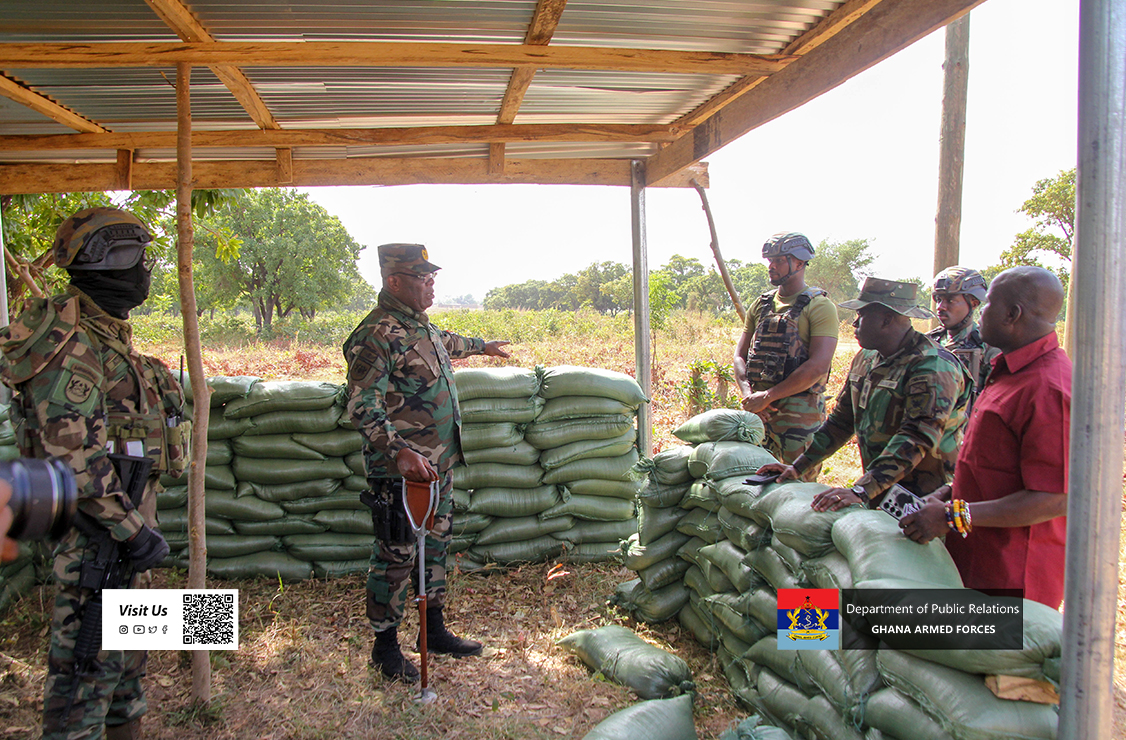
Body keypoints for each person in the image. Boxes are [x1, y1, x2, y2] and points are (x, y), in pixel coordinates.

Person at [0, 207, 188, 740]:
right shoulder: (71, 346)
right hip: (97, 545)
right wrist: (132, 533)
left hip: (127, 536)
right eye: (138, 259)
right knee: (83, 686)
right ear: (108, 261)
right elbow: (73, 460)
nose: (146, 271)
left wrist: (139, 534)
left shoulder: (107, 338)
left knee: (126, 675)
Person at [343, 243, 510, 683]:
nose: (430, 283)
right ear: (394, 281)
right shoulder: (377, 333)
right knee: (395, 557)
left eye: (432, 276)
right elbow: (361, 402)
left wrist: (482, 346)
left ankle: (432, 631)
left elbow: (450, 343)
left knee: (434, 549)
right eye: (422, 277)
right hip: (402, 473)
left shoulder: (421, 328)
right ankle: (384, 649)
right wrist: (398, 450)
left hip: (438, 468)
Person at [901, 267, 1070, 608]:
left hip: (1009, 586)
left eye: (988, 303)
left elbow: (1054, 498)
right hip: (972, 562)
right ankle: (796, 639)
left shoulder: (1048, 388)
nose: (982, 312)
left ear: (1012, 314)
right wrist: (949, 493)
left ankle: (798, 637)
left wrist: (952, 516)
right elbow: (995, 467)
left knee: (862, 622)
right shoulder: (1010, 372)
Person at [758, 278, 973, 512]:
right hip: (879, 486)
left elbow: (917, 437)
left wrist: (860, 490)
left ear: (886, 319)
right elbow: (841, 422)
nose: (854, 323)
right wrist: (798, 467)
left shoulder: (932, 367)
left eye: (862, 315)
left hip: (927, 498)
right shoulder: (866, 359)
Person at [733, 232, 838, 475]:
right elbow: (740, 355)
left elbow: (818, 366)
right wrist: (750, 396)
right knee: (753, 478)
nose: (771, 266)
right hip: (759, 415)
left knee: (798, 486)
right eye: (770, 261)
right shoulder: (761, 305)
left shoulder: (819, 306)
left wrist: (767, 396)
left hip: (798, 418)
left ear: (800, 263)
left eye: (779, 260)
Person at [928, 266, 1001, 400]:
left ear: (973, 303)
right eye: (938, 299)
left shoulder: (989, 348)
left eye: (950, 300)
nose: (940, 307)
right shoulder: (927, 342)